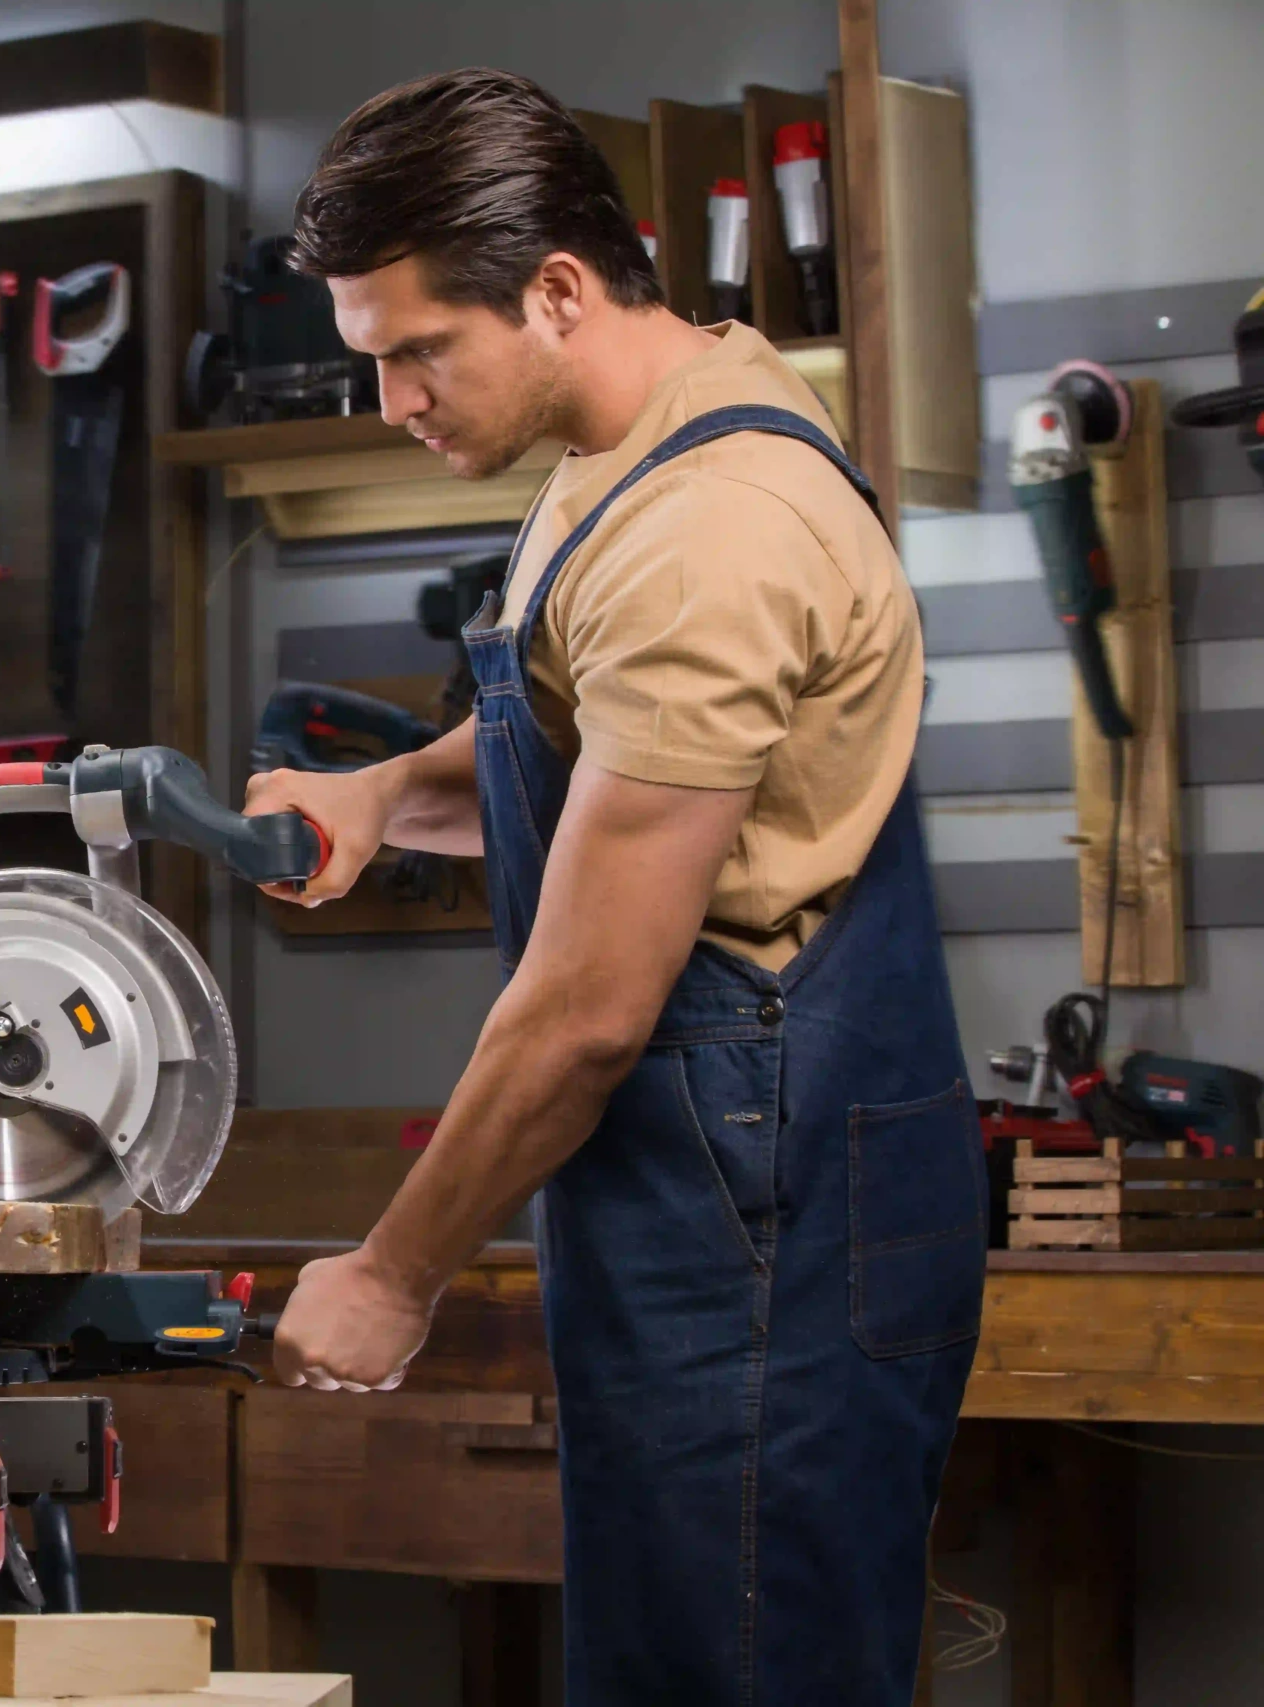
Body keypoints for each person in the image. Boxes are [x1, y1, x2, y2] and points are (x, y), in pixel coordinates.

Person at [245, 68, 984, 1707]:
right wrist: (380, 794)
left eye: (417, 352)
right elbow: (588, 749)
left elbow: (585, 1011)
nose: (392, 406)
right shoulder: (641, 432)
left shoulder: (709, 529)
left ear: (560, 290)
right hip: (713, 1200)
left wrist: (391, 1273)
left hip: (768, 1225)